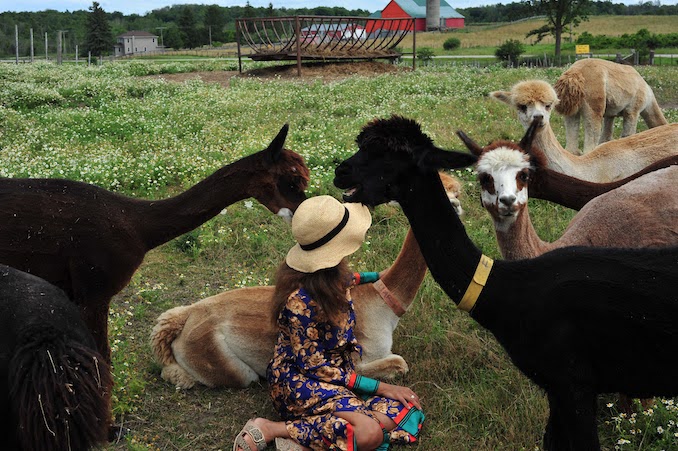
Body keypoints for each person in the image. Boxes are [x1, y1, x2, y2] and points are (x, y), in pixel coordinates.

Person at [233, 195, 425, 451]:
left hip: (337, 374)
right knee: (369, 433)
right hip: (301, 381)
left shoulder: (332, 277)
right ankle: (272, 428)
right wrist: (380, 386)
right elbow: (316, 368)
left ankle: (310, 436)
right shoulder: (299, 304)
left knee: (405, 406)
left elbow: (351, 278)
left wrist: (380, 276)